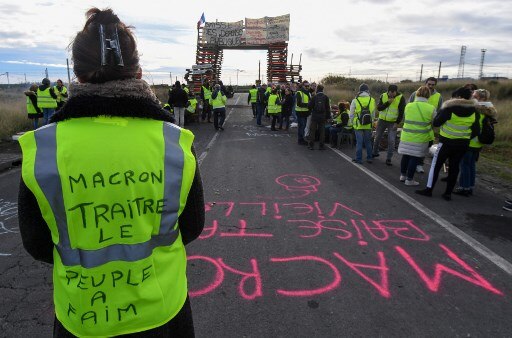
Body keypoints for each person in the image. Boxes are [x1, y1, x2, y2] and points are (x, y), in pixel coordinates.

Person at [17, 8, 204, 337]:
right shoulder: (174, 142)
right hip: (163, 312)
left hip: (83, 315)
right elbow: (191, 227)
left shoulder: (44, 148)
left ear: (78, 74)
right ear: (138, 72)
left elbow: (36, 243)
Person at [416, 87, 479, 201]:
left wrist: (441, 111)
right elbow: (476, 130)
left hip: (446, 143)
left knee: (436, 166)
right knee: (454, 168)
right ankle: (448, 193)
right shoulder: (474, 110)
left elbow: (436, 122)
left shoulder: (449, 108)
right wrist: (464, 137)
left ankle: (429, 190)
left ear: (459, 97)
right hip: (462, 144)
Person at [454, 88, 497, 196]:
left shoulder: (477, 109)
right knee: (471, 164)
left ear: (481, 98)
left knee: (464, 165)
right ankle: (470, 186)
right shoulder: (488, 109)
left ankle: (464, 187)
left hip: (471, 140)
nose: (472, 97)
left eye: (475, 96)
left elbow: (473, 126)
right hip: (478, 142)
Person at [397, 86, 436, 186]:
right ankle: (409, 180)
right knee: (414, 158)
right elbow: (434, 122)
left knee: (405, 156)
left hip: (406, 135)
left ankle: (403, 175)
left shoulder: (408, 106)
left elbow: (406, 118)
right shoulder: (431, 108)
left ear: (417, 94)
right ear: (428, 95)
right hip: (420, 137)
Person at [409, 77, 443, 173]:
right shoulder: (415, 94)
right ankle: (411, 163)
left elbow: (440, 111)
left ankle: (419, 164)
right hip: (414, 125)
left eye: (433, 84)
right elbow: (408, 107)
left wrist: (435, 123)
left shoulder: (438, 96)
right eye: (429, 84)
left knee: (424, 146)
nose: (431, 86)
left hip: (428, 127)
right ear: (425, 84)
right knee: (413, 145)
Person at [372, 84, 406, 165]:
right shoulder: (383, 95)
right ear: (388, 91)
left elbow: (401, 112)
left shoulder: (401, 98)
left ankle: (388, 158)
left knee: (391, 140)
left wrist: (397, 123)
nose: (391, 94)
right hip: (382, 120)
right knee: (377, 137)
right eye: (390, 92)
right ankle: (374, 152)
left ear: (396, 91)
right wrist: (388, 102)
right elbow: (379, 108)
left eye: (393, 92)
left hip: (392, 122)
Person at [350, 83, 376, 164]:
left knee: (359, 142)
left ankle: (359, 159)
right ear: (367, 90)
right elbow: (373, 114)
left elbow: (351, 114)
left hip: (358, 125)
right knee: (368, 142)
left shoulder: (355, 100)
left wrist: (352, 122)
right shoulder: (372, 100)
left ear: (360, 91)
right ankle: (369, 158)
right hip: (368, 124)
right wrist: (371, 122)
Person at [307, 84, 331, 150]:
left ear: (317, 89)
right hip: (322, 116)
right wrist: (328, 117)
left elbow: (309, 106)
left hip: (315, 116)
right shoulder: (325, 97)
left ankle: (311, 145)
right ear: (322, 89)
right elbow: (328, 108)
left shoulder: (314, 97)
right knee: (322, 132)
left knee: (312, 131)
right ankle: (321, 146)